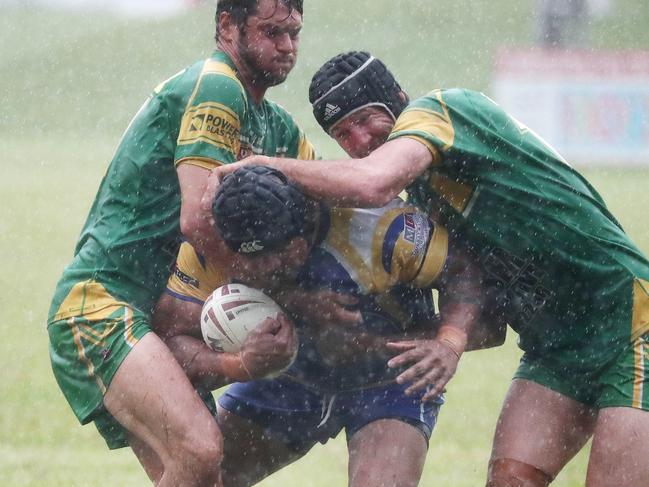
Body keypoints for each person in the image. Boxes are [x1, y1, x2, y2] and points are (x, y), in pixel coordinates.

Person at [214, 51, 649, 486]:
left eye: (367, 120)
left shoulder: (445, 109)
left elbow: (372, 182)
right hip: (555, 347)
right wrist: (440, 342)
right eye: (343, 134)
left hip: (629, 319)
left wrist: (262, 165)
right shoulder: (424, 203)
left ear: (398, 99)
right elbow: (487, 317)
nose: (361, 141)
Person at [46, 1, 312, 484]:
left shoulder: (275, 125)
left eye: (294, 32)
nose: (288, 46)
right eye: (272, 31)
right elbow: (196, 218)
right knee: (200, 450)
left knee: (200, 473)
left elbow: (328, 201)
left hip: (149, 314)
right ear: (227, 25)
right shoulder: (217, 84)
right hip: (99, 302)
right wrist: (264, 283)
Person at [153, 164, 498, 486]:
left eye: (275, 255)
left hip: (388, 385)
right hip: (291, 379)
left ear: (302, 231)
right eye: (249, 260)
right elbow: (170, 339)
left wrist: (448, 342)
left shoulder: (382, 229)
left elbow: (464, 275)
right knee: (198, 476)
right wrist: (239, 363)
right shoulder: (215, 244)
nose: (262, 268)